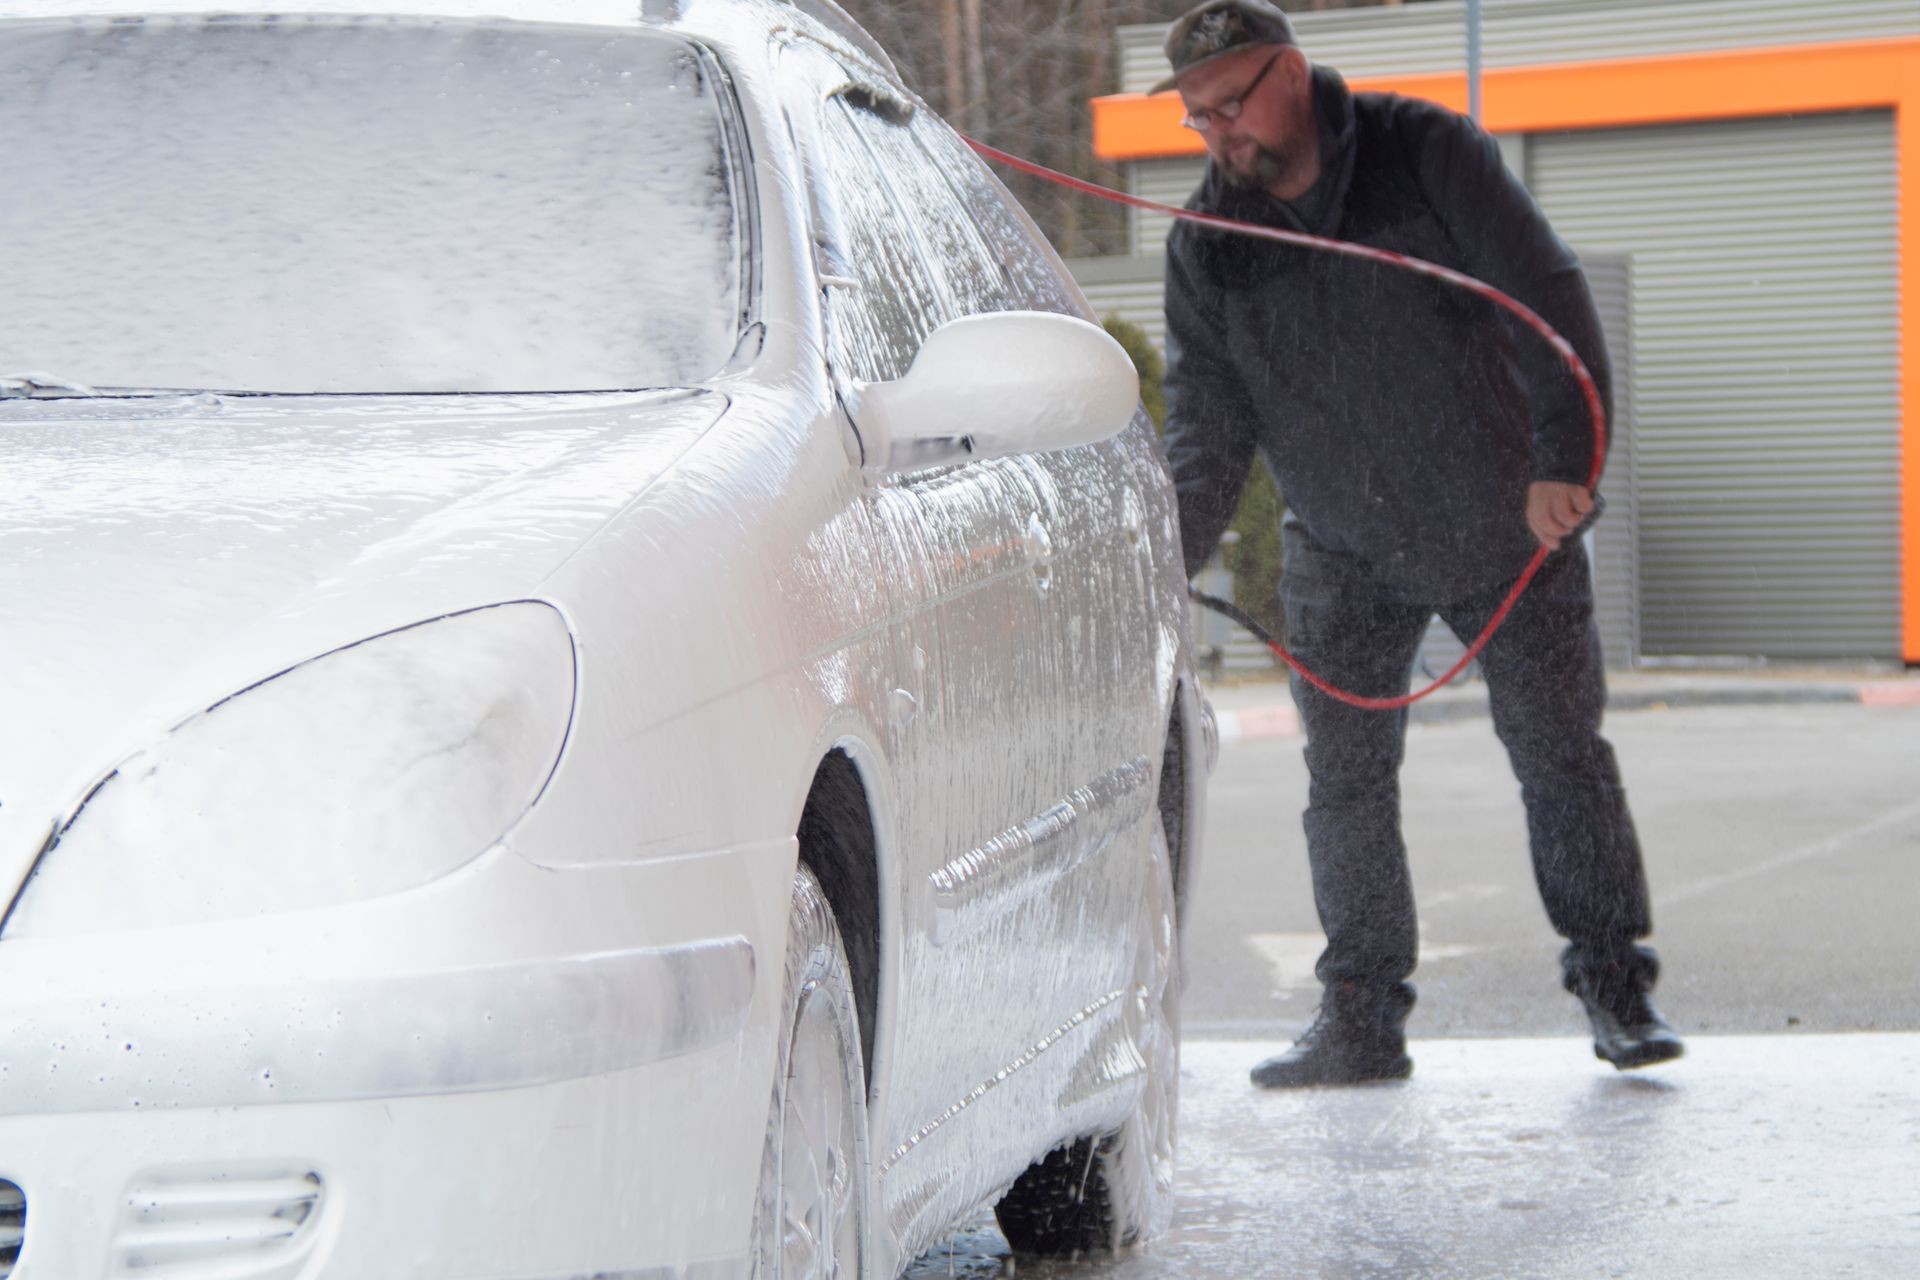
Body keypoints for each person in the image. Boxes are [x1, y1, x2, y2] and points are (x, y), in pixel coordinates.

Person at [1154, 0, 1683, 1086]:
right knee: (1343, 782)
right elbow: (1207, 425)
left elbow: (1549, 299)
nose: (1220, 134)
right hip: (1340, 549)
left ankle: (1615, 982)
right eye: (1198, 118)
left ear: (1291, 73)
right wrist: (1163, 555)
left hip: (1504, 524)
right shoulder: (1211, 245)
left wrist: (1565, 461)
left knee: (1558, 758)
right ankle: (1360, 1015)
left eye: (1232, 103)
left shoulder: (1426, 152)